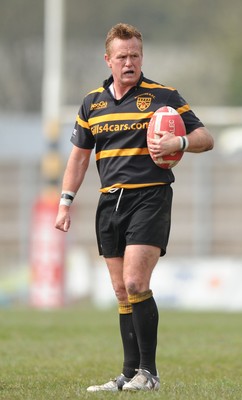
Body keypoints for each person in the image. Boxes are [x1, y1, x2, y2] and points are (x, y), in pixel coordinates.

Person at [55, 23, 214, 392]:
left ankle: (150, 373)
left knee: (135, 281)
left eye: (136, 56)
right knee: (121, 290)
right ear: (108, 59)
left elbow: (206, 137)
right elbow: (78, 159)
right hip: (109, 201)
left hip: (150, 196)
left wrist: (180, 140)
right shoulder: (92, 103)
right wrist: (65, 202)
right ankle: (128, 374)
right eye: (122, 56)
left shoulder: (163, 96)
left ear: (142, 57)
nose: (130, 62)